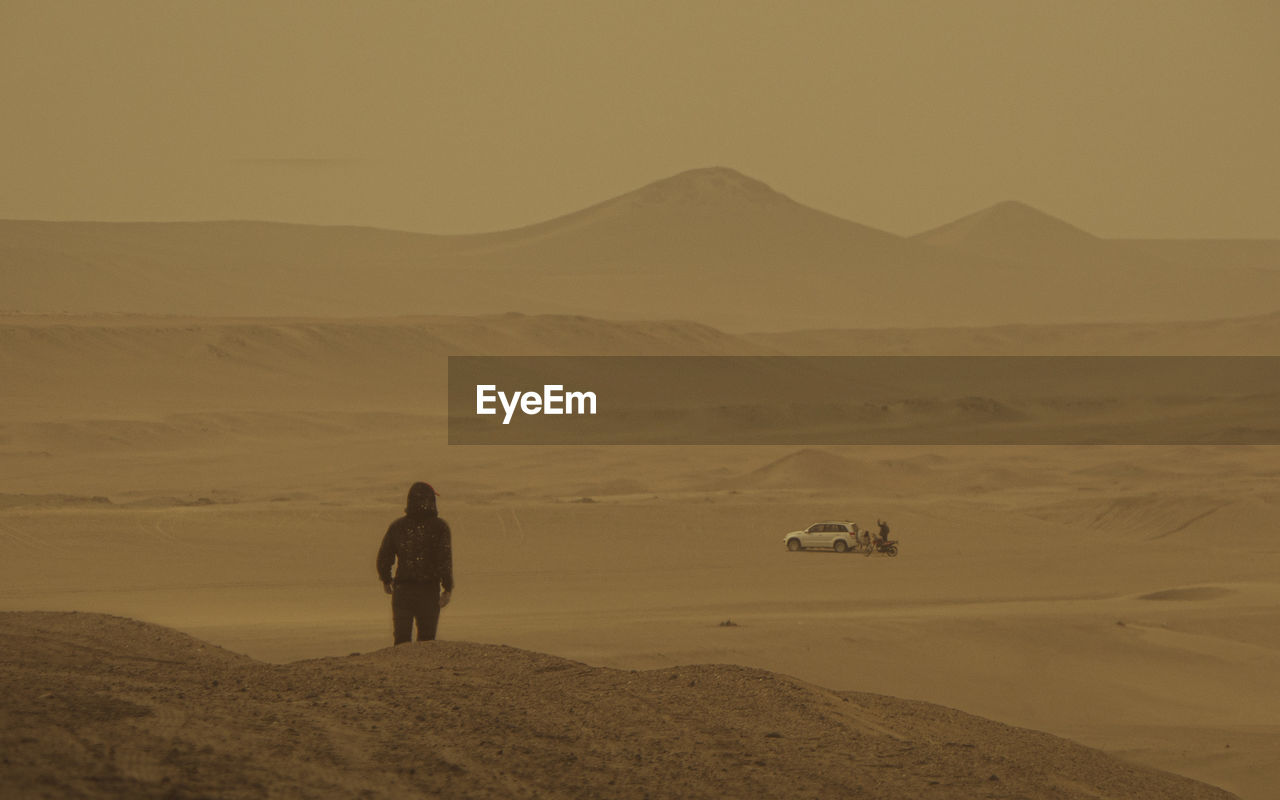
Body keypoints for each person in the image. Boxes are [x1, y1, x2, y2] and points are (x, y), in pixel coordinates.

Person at [376, 481, 454, 644]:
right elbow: (444, 559)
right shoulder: (439, 527)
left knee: (401, 641)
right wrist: (447, 588)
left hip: (403, 590)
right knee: (427, 641)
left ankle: (400, 669)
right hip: (428, 589)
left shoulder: (398, 526)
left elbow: (385, 555)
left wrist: (386, 578)